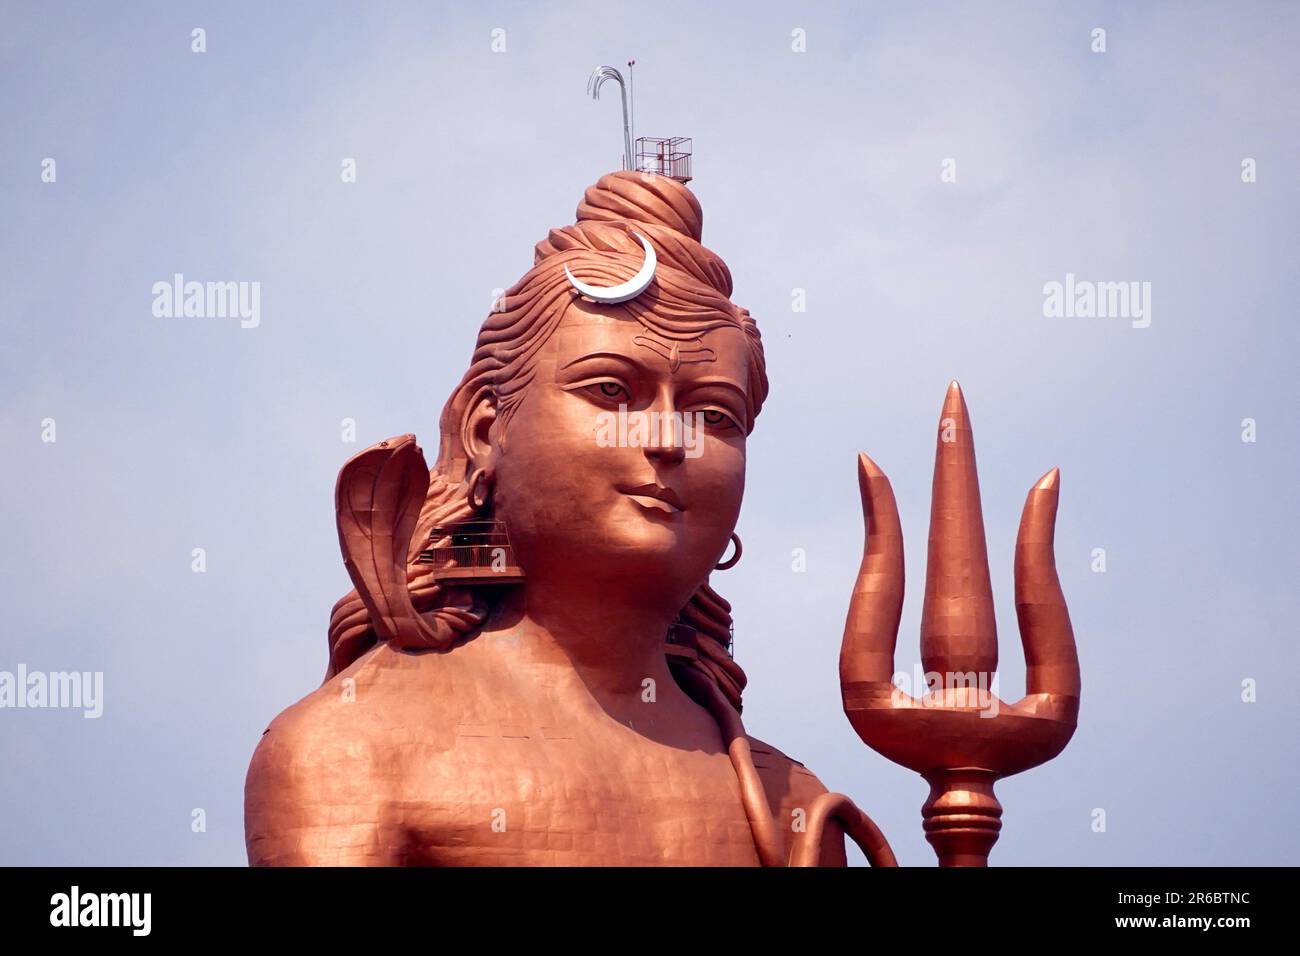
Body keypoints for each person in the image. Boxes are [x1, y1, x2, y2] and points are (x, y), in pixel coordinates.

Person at [244, 171, 878, 866]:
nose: (670, 438)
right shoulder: (355, 748)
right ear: (488, 430)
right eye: (611, 390)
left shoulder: (785, 805)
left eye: (714, 415)